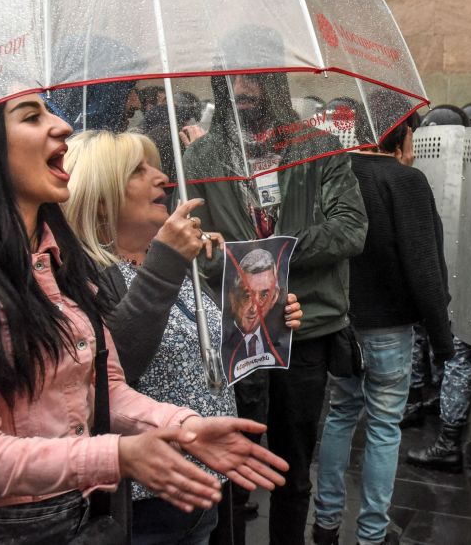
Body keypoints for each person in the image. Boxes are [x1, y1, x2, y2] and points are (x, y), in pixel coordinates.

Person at [0, 94, 289, 543]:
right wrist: (118, 455)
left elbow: (105, 389)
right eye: (31, 117)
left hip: (86, 517)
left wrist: (184, 427)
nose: (61, 126)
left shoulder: (54, 261)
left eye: (50, 110)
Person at [61, 129, 304, 544]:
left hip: (203, 482)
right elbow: (117, 369)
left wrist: (262, 318)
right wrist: (167, 261)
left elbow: (206, 352)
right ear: (101, 199)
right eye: (138, 171)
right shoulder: (88, 277)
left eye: (155, 165)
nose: (161, 177)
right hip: (146, 502)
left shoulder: (180, 264)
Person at [184, 67, 368, 545]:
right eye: (234, 82)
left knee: (291, 465)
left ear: (276, 86)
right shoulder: (202, 156)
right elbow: (194, 245)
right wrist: (225, 264)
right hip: (237, 332)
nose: (244, 91)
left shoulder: (319, 149)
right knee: (230, 465)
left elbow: (350, 229)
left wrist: (272, 257)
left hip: (305, 331)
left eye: (256, 80)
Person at [311, 115, 454, 545]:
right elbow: (424, 265)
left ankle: (326, 523)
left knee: (339, 416)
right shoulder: (405, 181)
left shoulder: (334, 172)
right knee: (383, 427)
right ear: (403, 134)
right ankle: (372, 534)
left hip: (342, 323)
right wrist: (442, 334)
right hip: (390, 328)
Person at [222, 248, 288, 377]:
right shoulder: (222, 340)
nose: (254, 308)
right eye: (247, 296)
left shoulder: (279, 339)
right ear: (232, 297)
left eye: (264, 295)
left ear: (274, 297)